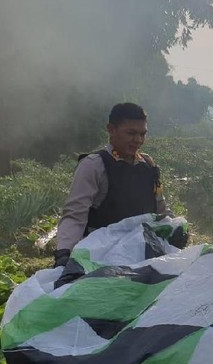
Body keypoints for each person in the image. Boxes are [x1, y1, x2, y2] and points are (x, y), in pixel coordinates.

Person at [53, 102, 172, 268]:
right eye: (131, 133)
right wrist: (64, 253)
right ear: (111, 129)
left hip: (145, 256)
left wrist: (174, 227)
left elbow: (160, 207)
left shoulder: (148, 165)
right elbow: (75, 214)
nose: (138, 140)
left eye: (142, 134)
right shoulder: (94, 165)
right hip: (103, 258)